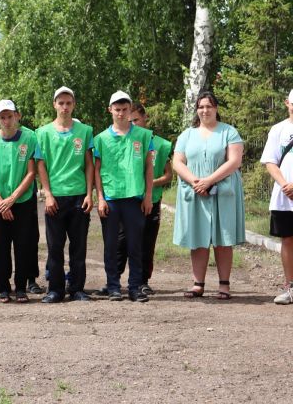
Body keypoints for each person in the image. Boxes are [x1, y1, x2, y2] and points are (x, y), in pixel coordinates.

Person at [172, 90, 245, 299]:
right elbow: (177, 162)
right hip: (195, 191)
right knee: (198, 237)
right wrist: (196, 182)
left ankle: (224, 285)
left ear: (216, 108)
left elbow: (234, 161)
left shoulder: (229, 132)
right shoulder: (187, 134)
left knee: (223, 238)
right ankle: (198, 284)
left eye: (209, 106)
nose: (205, 110)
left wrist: (209, 181)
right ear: (197, 109)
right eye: (201, 106)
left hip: (223, 191)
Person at [94, 90, 154, 303]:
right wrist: (100, 198)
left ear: (130, 110)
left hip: (135, 197)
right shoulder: (100, 139)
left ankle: (135, 287)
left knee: (135, 245)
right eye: (117, 109)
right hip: (111, 197)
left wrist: (148, 196)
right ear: (110, 110)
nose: (121, 113)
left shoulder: (144, 136)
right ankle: (113, 287)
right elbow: (96, 170)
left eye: (124, 109)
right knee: (111, 245)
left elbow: (148, 168)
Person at [35, 86, 94, 303]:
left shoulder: (85, 131)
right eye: (61, 103)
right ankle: (55, 290)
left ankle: (77, 288)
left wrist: (89, 193)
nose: (65, 107)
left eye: (69, 103)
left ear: (74, 105)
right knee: (55, 246)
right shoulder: (42, 133)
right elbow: (40, 165)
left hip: (79, 194)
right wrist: (48, 194)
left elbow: (89, 164)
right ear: (54, 105)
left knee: (78, 246)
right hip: (55, 197)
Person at [0, 100, 37, 303]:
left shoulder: (30, 137)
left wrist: (12, 199)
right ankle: (3, 288)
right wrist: (0, 201)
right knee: (0, 246)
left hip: (22, 200)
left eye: (10, 116)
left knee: (23, 245)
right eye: (2, 117)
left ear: (17, 116)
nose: (6, 120)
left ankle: (20, 288)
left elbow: (31, 173)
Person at [113, 103, 173, 295]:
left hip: (150, 199)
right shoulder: (123, 140)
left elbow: (168, 175)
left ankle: (142, 281)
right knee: (121, 241)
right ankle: (114, 280)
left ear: (145, 118)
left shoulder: (160, 144)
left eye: (136, 120)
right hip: (127, 198)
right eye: (130, 121)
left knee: (146, 241)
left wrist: (148, 185)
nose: (133, 124)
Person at [262, 89, 293, 304]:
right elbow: (270, 161)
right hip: (284, 196)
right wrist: (284, 184)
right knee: (288, 240)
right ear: (287, 103)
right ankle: (290, 286)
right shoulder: (278, 129)